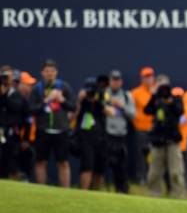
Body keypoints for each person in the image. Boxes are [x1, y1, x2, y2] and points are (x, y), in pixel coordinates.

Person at [29, 59, 76, 187]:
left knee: (63, 162)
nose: (50, 73)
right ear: (42, 73)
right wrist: (47, 100)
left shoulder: (64, 87)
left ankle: (65, 191)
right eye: (47, 71)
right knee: (40, 162)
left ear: (56, 72)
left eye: (52, 71)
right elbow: (31, 109)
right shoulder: (37, 89)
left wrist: (61, 99)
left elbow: (73, 106)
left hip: (61, 131)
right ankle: (41, 190)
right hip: (43, 130)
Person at [144, 77, 186, 198]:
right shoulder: (156, 99)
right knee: (154, 172)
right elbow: (147, 110)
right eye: (160, 86)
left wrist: (171, 101)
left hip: (172, 139)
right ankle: (154, 195)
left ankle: (178, 195)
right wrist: (154, 96)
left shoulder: (175, 98)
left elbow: (180, 110)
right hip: (158, 140)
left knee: (175, 172)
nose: (163, 90)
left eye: (165, 86)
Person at [104, 70, 135, 193]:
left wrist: (121, 106)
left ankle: (121, 189)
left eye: (117, 80)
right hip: (107, 135)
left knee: (120, 165)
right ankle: (101, 188)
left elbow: (133, 115)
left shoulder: (127, 96)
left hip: (121, 135)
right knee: (106, 163)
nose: (115, 83)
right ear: (110, 81)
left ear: (121, 82)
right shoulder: (104, 94)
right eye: (113, 80)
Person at [75, 77, 107, 190]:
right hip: (85, 139)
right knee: (87, 166)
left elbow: (111, 112)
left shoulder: (101, 99)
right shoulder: (82, 101)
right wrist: (79, 100)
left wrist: (97, 100)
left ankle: (97, 192)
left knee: (99, 168)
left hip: (100, 138)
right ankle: (84, 192)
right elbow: (73, 115)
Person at [0, 69, 29, 179]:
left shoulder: (19, 96)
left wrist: (25, 138)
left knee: (9, 158)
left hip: (12, 133)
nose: (13, 84)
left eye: (16, 82)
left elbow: (15, 107)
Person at [131, 66, 156, 184]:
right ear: (142, 79)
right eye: (146, 77)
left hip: (153, 129)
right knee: (141, 154)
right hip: (140, 129)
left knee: (153, 155)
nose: (148, 79)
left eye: (150, 77)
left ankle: (152, 177)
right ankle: (141, 177)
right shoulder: (135, 93)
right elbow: (132, 111)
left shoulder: (157, 91)